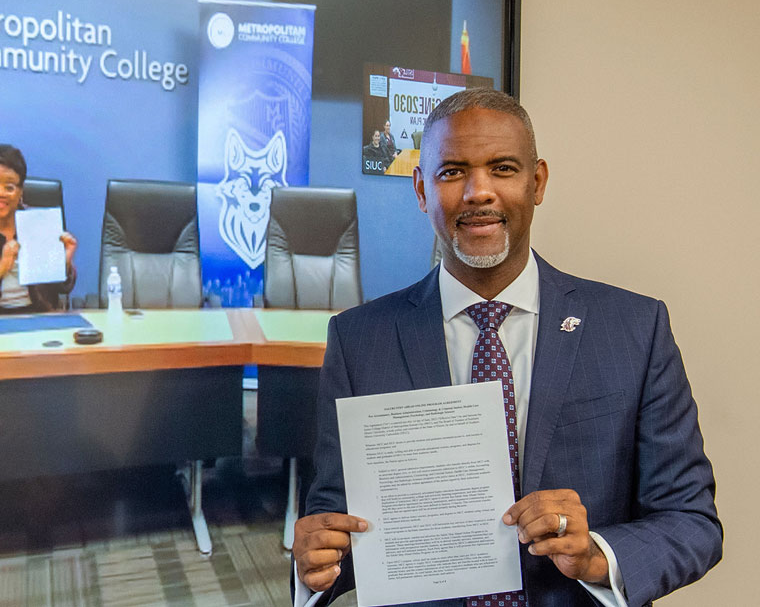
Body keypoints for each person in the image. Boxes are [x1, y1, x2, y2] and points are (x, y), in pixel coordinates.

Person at [292, 89, 720, 607]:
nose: (479, 192)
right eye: (452, 172)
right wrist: (314, 565)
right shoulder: (359, 340)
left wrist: (597, 557)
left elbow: (691, 519)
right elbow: (336, 524)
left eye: (502, 168)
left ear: (536, 182)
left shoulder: (634, 328)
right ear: (422, 190)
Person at [0, 144, 77, 314]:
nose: (0, 193)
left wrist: (64, 264)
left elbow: (61, 289)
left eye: (9, 187)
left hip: (37, 316)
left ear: (20, 191)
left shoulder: (39, 225)